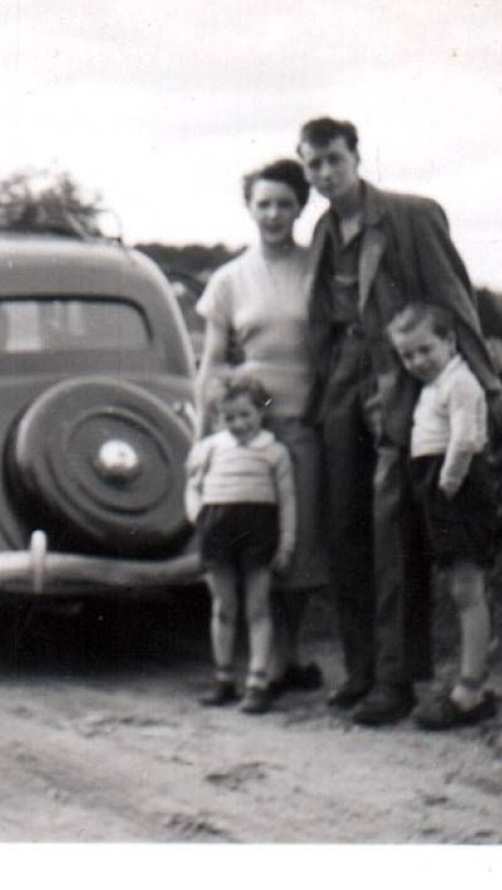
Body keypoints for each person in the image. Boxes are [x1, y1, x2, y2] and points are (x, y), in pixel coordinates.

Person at [297, 115, 502, 727]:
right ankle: (360, 668)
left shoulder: (412, 215)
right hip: (341, 382)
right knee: (344, 526)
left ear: (357, 157)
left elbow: (454, 299)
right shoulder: (322, 232)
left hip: (397, 385)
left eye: (333, 159)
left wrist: (486, 380)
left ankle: (395, 679)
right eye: (313, 164)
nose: (325, 173)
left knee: (392, 529)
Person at [194, 159, 328, 695]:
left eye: (285, 204)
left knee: (297, 548)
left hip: (303, 422)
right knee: (252, 540)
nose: (274, 214)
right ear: (250, 208)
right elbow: (211, 361)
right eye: (264, 203)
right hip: (250, 427)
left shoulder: (316, 269)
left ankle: (287, 656)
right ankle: (262, 664)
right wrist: (203, 434)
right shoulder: (228, 279)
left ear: (301, 207)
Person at [386, 303, 498, 729]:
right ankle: (469, 682)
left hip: (456, 488)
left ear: (449, 342)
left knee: (467, 587)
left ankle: (470, 692)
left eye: (424, 349)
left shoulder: (460, 383)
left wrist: (446, 487)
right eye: (407, 355)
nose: (416, 361)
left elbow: (466, 440)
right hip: (436, 483)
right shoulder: (435, 385)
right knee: (458, 587)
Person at [184, 375, 297, 715]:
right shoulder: (210, 448)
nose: (239, 424)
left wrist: (287, 542)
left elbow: (287, 499)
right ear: (219, 418)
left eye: (246, 415)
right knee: (223, 605)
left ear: (260, 413)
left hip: (259, 532)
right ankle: (223, 678)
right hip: (217, 528)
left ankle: (258, 681)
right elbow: (192, 485)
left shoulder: (274, 451)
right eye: (230, 417)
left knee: (258, 608)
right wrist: (198, 517)